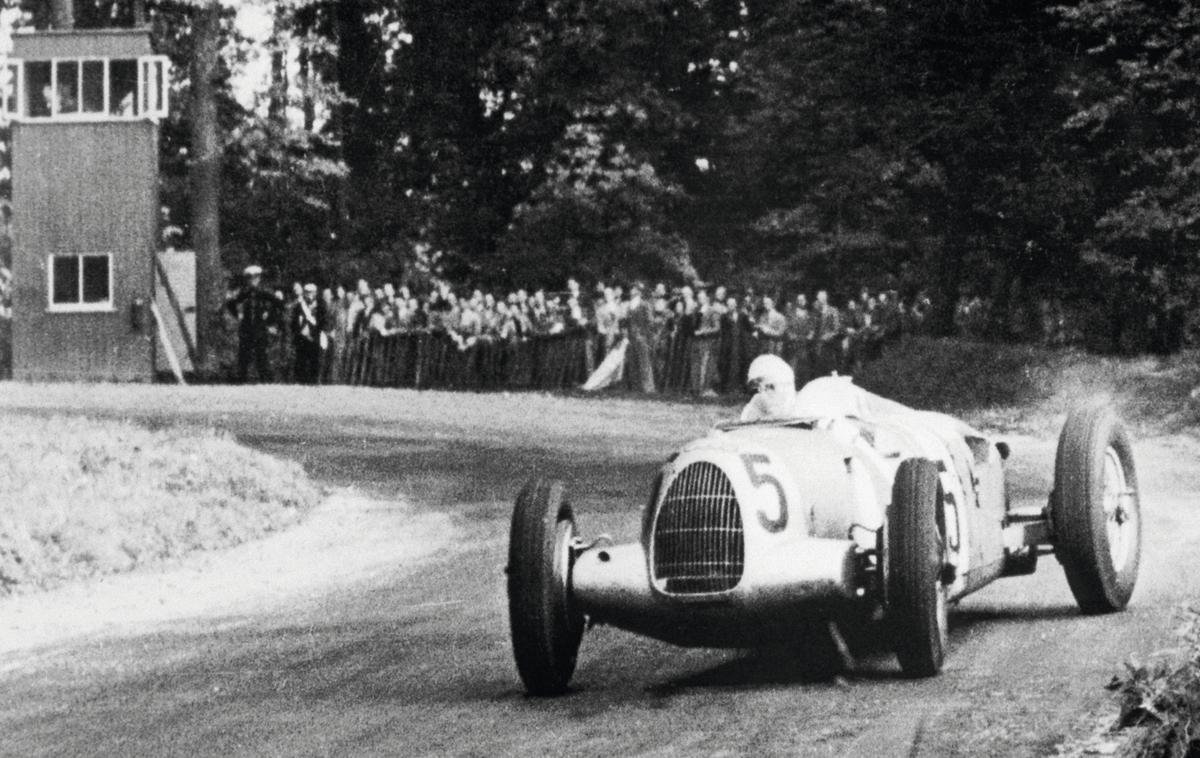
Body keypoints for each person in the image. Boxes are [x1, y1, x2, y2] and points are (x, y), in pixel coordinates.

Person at [226, 265, 277, 383]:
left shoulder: (265, 291)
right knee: (244, 354)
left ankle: (264, 381)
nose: (252, 280)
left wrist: (269, 318)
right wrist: (237, 315)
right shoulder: (244, 292)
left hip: (260, 326)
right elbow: (230, 304)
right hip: (246, 326)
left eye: (255, 278)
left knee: (262, 354)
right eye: (250, 278)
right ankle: (242, 380)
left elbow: (276, 304)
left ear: (259, 278)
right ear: (247, 279)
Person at [740, 354, 798, 421]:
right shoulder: (758, 401)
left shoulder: (798, 404)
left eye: (770, 387)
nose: (763, 393)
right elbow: (745, 421)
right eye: (760, 388)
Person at [290, 282, 327, 384]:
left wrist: (313, 332)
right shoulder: (299, 306)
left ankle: (314, 381)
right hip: (301, 336)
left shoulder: (321, 305)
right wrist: (300, 331)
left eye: (311, 292)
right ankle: (300, 381)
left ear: (315, 293)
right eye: (307, 292)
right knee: (300, 359)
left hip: (314, 336)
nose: (309, 294)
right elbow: (293, 321)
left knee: (314, 359)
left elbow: (322, 321)